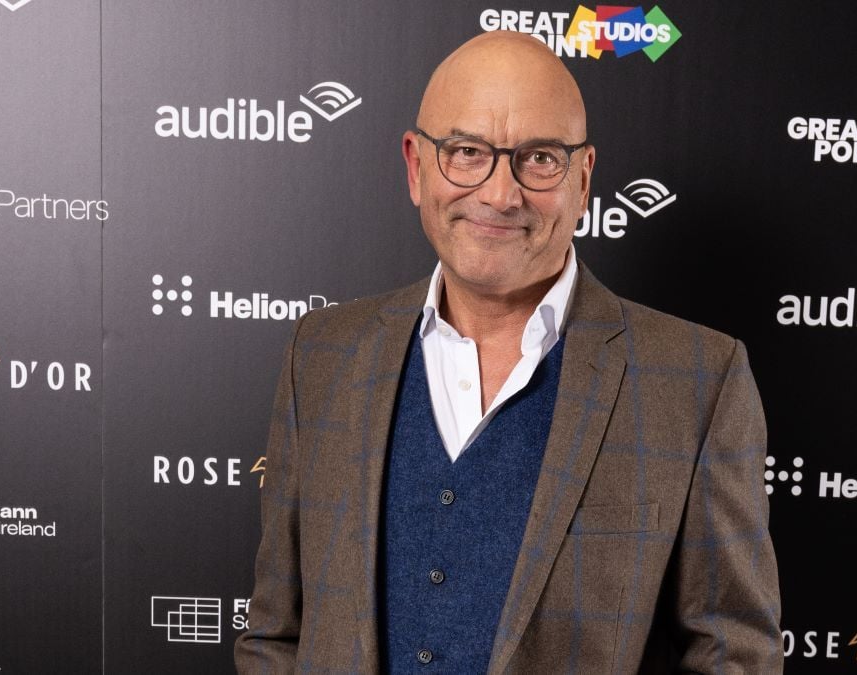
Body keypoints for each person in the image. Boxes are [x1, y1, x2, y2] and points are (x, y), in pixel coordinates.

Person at [235, 30, 781, 674]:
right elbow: (275, 632)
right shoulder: (322, 356)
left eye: (539, 158)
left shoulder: (697, 381)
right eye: (466, 152)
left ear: (583, 178)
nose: (500, 194)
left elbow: (732, 656)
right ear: (416, 167)